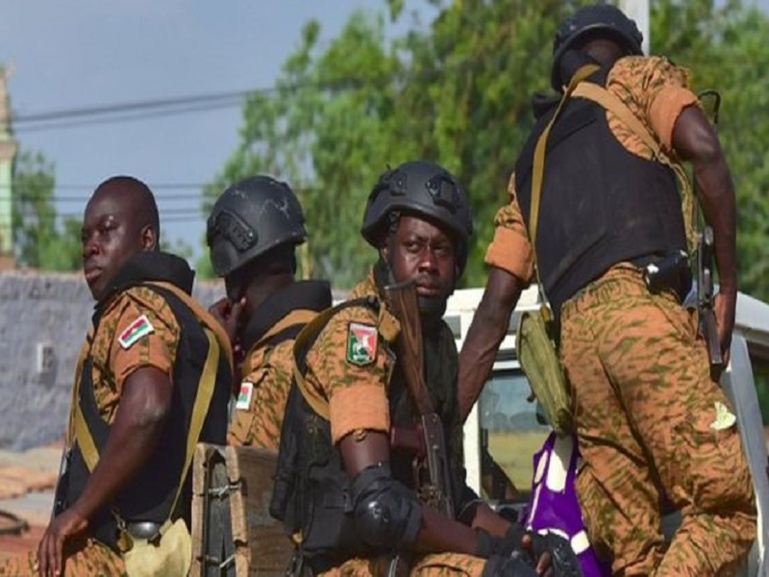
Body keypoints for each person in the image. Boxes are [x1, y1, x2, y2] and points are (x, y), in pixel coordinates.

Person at [457, 4, 756, 575]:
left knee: (633, 555)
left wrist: (442, 433)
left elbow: (494, 310)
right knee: (726, 510)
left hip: (580, 363)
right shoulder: (634, 79)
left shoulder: (531, 161)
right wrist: (729, 286)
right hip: (643, 317)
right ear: (621, 47)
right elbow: (705, 148)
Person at [271, 160, 561, 577]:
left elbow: (452, 498)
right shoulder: (358, 336)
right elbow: (378, 507)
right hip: (348, 567)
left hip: (406, 559)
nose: (428, 263)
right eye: (413, 247)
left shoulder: (435, 344)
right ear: (386, 249)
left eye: (441, 250)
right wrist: (489, 553)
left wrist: (520, 541)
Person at [0, 176, 233, 577]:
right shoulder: (191, 319)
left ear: (146, 240)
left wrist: (78, 511)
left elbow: (148, 406)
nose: (91, 247)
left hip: (117, 557)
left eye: (107, 231)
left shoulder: (135, 305)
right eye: (85, 236)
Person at [206, 175, 333, 448]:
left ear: (236, 286)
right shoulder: (322, 333)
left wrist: (216, 372)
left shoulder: (275, 367)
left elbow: (231, 477)